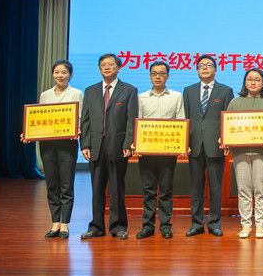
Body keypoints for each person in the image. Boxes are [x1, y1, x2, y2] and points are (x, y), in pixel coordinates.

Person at [80, 54, 138, 240]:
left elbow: (131, 120)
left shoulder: (129, 90)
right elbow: (85, 120)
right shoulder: (90, 91)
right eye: (103, 65)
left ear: (118, 67)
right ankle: (96, 226)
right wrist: (85, 144)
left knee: (116, 188)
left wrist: (128, 143)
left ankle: (118, 226)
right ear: (99, 69)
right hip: (96, 146)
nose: (106, 67)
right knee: (97, 188)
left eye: (110, 64)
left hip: (118, 146)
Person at [26, 60, 83, 239]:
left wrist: (77, 130)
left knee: (66, 185)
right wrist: (29, 133)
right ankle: (55, 223)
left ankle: (65, 224)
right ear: (53, 74)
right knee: (51, 184)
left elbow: (80, 118)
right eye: (57, 72)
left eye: (64, 72)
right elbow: (40, 119)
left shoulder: (77, 93)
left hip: (68, 144)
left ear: (70, 75)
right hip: (48, 145)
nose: (60, 75)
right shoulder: (45, 95)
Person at [226, 68, 263, 239]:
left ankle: (261, 225)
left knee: (261, 189)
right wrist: (225, 139)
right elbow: (227, 125)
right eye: (250, 79)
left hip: (262, 152)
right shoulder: (235, 103)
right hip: (240, 152)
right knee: (243, 190)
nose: (253, 82)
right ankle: (245, 225)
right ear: (245, 82)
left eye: (257, 79)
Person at [183, 55, 234, 237]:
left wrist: (226, 140)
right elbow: (185, 118)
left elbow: (228, 119)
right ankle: (196, 223)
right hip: (194, 145)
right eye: (201, 65)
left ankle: (214, 223)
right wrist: (185, 142)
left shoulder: (225, 91)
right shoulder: (188, 91)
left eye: (208, 65)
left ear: (215, 69)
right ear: (197, 70)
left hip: (216, 146)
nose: (204, 68)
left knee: (215, 187)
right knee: (195, 187)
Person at [135, 61, 185, 239]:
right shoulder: (141, 97)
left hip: (167, 152)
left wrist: (181, 145)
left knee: (165, 191)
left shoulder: (177, 96)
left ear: (167, 76)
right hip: (147, 151)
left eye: (162, 73)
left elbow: (181, 121)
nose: (158, 76)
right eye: (154, 73)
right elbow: (138, 122)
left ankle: (165, 225)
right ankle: (147, 226)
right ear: (150, 76)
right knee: (148, 190)